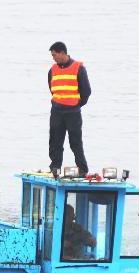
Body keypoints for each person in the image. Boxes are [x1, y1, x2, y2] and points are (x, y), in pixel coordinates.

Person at [48, 41, 91, 178]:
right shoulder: (52, 70)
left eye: (54, 54)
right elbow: (52, 89)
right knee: (55, 140)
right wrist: (59, 103)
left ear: (62, 53)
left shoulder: (78, 68)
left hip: (73, 112)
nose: (53, 58)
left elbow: (86, 91)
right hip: (56, 111)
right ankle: (55, 167)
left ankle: (82, 169)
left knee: (75, 141)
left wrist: (76, 104)